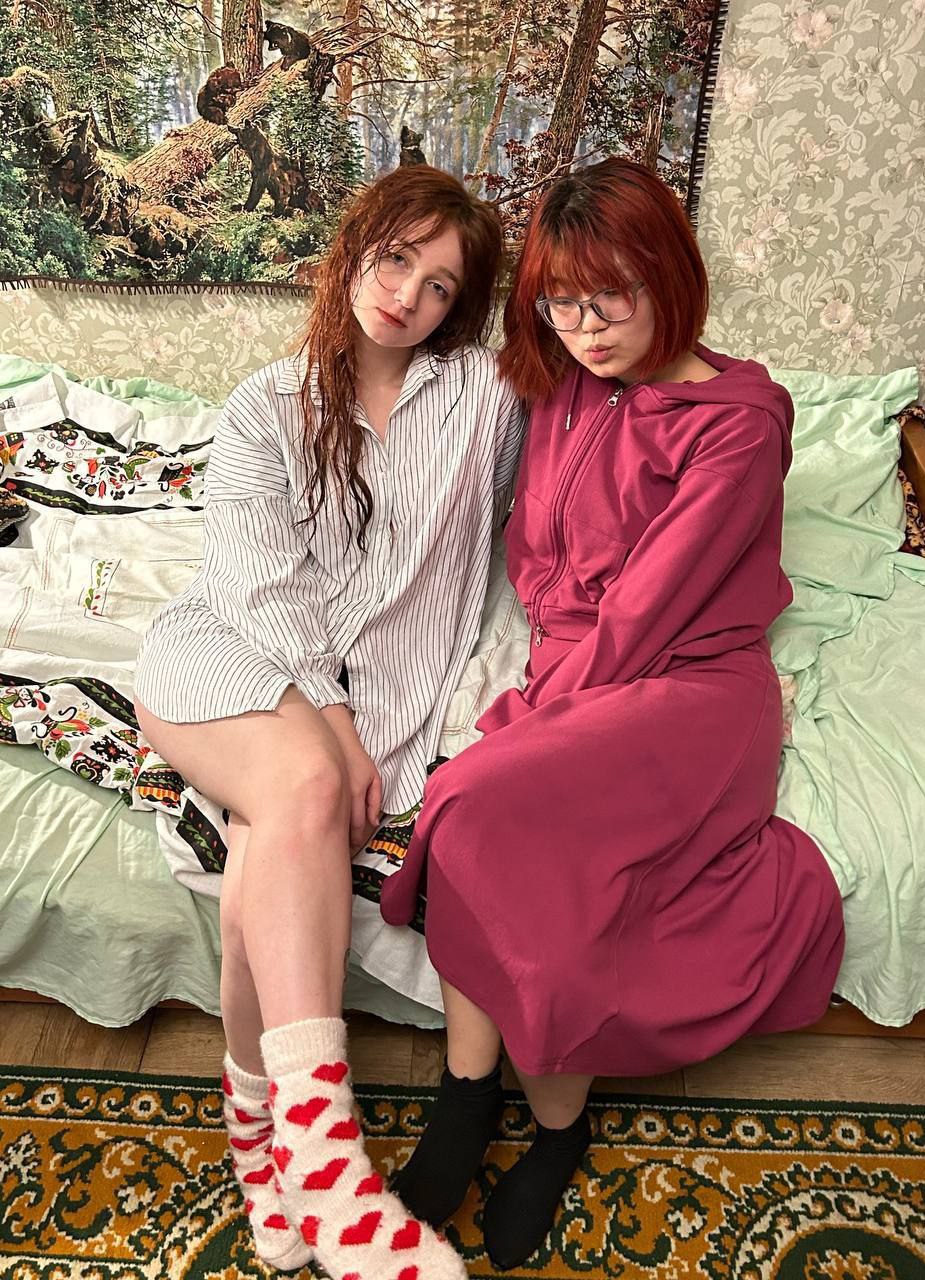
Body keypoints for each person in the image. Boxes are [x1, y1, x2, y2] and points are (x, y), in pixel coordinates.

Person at [380, 157, 845, 1269]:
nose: (584, 328)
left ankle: (555, 1130)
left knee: (476, 800)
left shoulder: (740, 421)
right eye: (559, 302)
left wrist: (537, 712)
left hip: (690, 687)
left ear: (668, 276)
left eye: (609, 298)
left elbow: (646, 611)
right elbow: (510, 517)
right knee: (486, 823)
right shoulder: (560, 379)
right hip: (585, 669)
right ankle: (469, 1092)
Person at [133, 165, 526, 1280]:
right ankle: (331, 1162)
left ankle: (262, 1147)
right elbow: (258, 589)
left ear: (460, 308)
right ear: (355, 250)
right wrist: (340, 728)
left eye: (440, 285)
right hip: (228, 659)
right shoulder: (266, 404)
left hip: (377, 703)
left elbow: (573, 459)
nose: (406, 296)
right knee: (307, 784)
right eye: (396, 259)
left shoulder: (486, 399)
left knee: (260, 860)